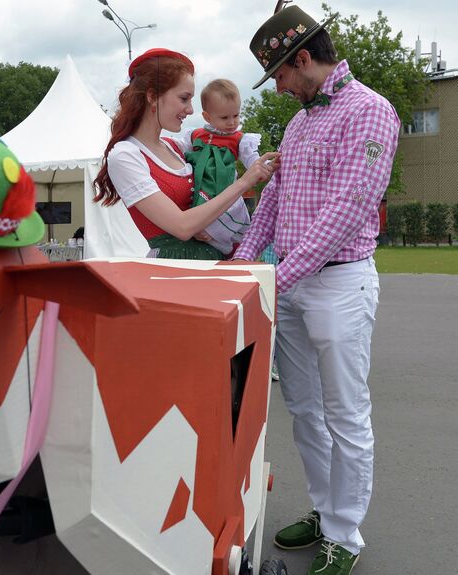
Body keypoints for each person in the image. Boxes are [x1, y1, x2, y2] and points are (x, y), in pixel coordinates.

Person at [233, 6, 400, 574]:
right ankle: (326, 511)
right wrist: (241, 262)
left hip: (339, 284)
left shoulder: (372, 111)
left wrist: (275, 275)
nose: (278, 88)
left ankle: (346, 535)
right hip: (294, 284)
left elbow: (348, 212)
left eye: (279, 75)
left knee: (345, 413)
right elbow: (274, 203)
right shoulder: (301, 122)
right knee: (303, 409)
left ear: (302, 58)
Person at [93, 48, 279, 260]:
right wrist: (244, 182)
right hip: (175, 271)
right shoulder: (125, 155)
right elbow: (182, 227)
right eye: (184, 98)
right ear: (153, 96)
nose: (190, 110)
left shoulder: (178, 148)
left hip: (216, 263)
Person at [185, 79, 262, 257]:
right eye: (224, 118)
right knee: (198, 205)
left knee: (227, 210)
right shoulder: (195, 135)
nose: (232, 123)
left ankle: (224, 245)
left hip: (225, 185)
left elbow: (251, 158)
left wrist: (262, 167)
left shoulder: (239, 139)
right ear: (207, 117)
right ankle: (201, 231)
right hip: (202, 183)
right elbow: (178, 150)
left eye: (235, 116)